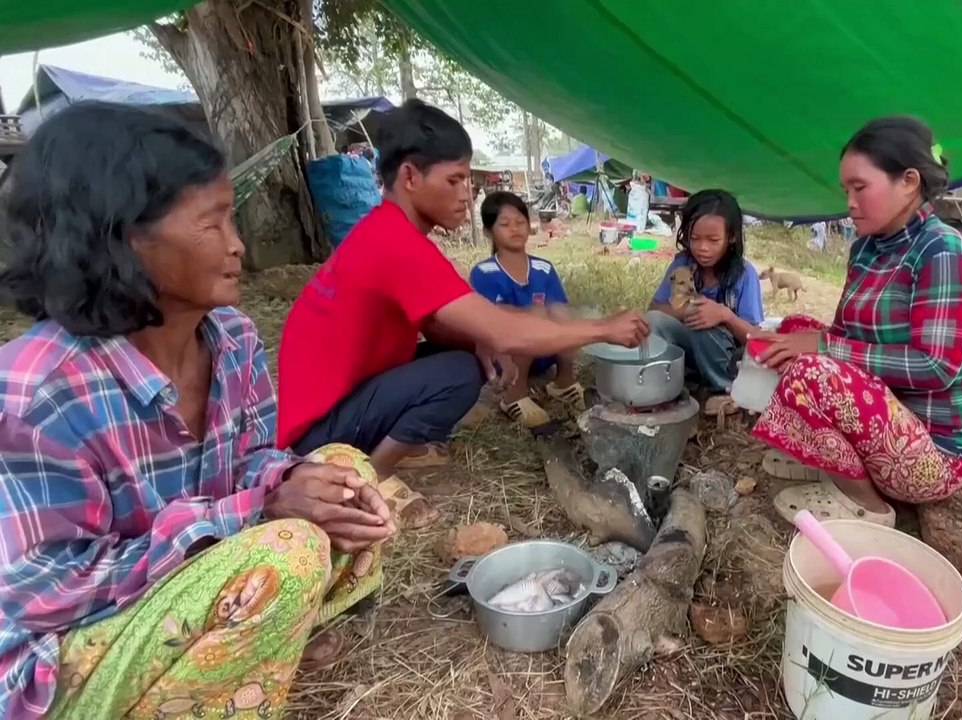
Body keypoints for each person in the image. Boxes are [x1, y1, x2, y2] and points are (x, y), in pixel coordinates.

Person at [0, 102, 396, 719]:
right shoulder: (37, 393)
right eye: (212, 224)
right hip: (62, 656)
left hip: (187, 580)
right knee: (286, 555)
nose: (238, 245)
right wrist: (256, 511)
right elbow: (47, 592)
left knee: (345, 471)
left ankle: (261, 637)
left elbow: (253, 461)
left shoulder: (232, 338)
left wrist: (291, 480)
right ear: (124, 237)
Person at [276, 99, 648, 526]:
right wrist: (603, 328)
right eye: (454, 180)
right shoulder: (395, 244)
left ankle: (387, 446)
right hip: (316, 435)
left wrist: (480, 339)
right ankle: (369, 477)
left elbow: (438, 321)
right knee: (459, 372)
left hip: (342, 402)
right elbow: (505, 331)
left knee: (467, 351)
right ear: (410, 177)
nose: (466, 194)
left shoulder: (387, 231)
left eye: (467, 180)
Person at [751, 116, 962, 527]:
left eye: (860, 187)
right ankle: (835, 459)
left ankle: (865, 505)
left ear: (908, 182)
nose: (850, 202)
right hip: (882, 416)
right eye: (846, 190)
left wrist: (822, 348)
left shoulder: (943, 251)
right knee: (792, 329)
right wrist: (801, 341)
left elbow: (937, 367)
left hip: (933, 452)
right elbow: (843, 335)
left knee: (812, 369)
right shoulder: (866, 249)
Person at [469, 191, 586, 428]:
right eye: (505, 224)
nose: (514, 229)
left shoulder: (544, 268)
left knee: (561, 313)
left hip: (543, 352)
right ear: (489, 231)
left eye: (520, 222)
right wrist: (531, 315)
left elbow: (559, 307)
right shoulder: (484, 272)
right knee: (535, 316)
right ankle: (515, 394)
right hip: (504, 358)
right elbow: (488, 321)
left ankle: (564, 381)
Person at [645, 189, 765, 416]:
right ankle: (669, 381)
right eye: (695, 238)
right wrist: (688, 310)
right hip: (688, 353)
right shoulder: (682, 265)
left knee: (702, 325)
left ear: (731, 237)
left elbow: (755, 337)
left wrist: (725, 316)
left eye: (713, 240)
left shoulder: (744, 274)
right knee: (653, 321)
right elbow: (654, 310)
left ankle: (726, 390)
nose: (702, 248)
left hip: (728, 360)